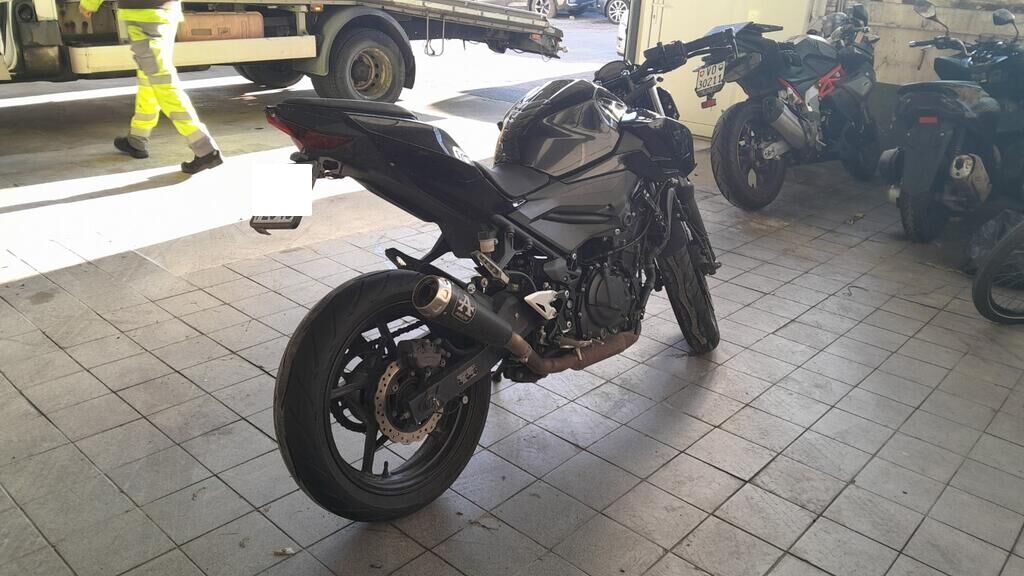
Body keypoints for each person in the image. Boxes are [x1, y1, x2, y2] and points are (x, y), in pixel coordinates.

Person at [79, 0, 222, 174]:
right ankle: (138, 138)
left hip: (142, 14)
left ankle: (204, 147)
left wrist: (89, 4)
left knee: (162, 82)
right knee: (149, 78)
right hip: (165, 12)